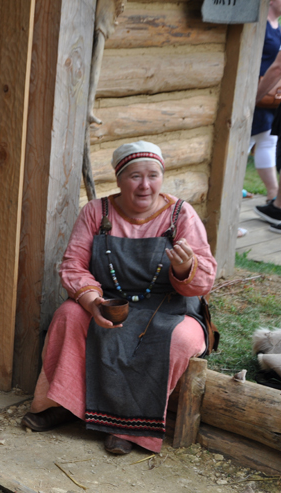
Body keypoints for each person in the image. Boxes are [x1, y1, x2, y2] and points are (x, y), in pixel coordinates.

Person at [21, 141, 217, 455]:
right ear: (119, 178)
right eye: (135, 176)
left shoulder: (181, 215)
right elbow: (73, 264)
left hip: (169, 308)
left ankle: (129, 427)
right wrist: (92, 301)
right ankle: (64, 405)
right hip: (110, 300)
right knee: (68, 315)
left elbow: (205, 277)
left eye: (153, 176)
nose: (145, 185)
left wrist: (185, 268)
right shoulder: (96, 212)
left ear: (161, 178)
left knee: (178, 339)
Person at [253, 0, 281, 232]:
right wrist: (254, 95)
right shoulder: (259, 25)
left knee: (267, 142)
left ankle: (274, 198)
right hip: (257, 93)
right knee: (245, 145)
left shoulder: (277, 26)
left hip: (268, 98)